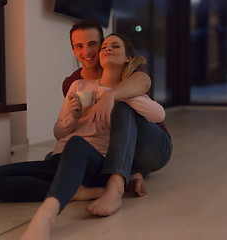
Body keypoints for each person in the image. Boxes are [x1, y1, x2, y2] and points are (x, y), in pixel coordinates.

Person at [18, 33, 171, 240]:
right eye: (104, 47)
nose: (106, 49)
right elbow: (60, 132)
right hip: (101, 152)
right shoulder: (78, 84)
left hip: (153, 146)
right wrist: (74, 116)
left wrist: (112, 94)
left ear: (128, 58)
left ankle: (114, 189)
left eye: (114, 46)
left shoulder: (132, 83)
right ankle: (80, 191)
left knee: (121, 108)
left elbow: (159, 114)